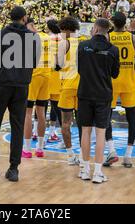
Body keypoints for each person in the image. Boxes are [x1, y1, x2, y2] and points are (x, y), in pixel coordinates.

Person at [0, 6, 40, 182]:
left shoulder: (0, 34)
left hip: (3, 84)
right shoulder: (33, 37)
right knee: (17, 126)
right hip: (21, 86)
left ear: (10, 18)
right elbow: (34, 62)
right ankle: (13, 169)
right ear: (24, 18)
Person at [77, 18, 120, 183]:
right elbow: (115, 74)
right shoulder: (113, 49)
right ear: (107, 32)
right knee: (100, 133)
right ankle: (98, 173)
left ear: (94, 29)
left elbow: (81, 70)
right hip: (103, 95)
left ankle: (85, 170)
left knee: (85, 131)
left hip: (85, 93)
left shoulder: (82, 46)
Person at [104, 12, 135, 168]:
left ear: (113, 23)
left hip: (111, 83)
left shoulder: (107, 38)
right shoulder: (134, 39)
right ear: (125, 23)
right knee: (131, 118)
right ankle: (128, 155)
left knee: (106, 116)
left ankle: (112, 151)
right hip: (129, 83)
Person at [22, 19, 50, 158]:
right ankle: (40, 148)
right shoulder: (46, 37)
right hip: (47, 76)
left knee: (27, 113)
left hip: (33, 76)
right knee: (41, 113)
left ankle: (26, 149)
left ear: (31, 26)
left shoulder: (29, 37)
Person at [57, 16, 81, 165]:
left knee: (66, 123)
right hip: (82, 86)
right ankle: (84, 155)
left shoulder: (64, 43)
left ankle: (71, 155)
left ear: (65, 29)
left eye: (61, 30)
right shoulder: (83, 41)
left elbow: (57, 65)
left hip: (67, 87)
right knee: (83, 123)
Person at [46, 19, 62, 142]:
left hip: (45, 75)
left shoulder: (45, 39)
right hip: (56, 76)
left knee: (42, 106)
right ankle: (52, 133)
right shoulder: (61, 39)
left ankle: (35, 132)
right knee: (56, 107)